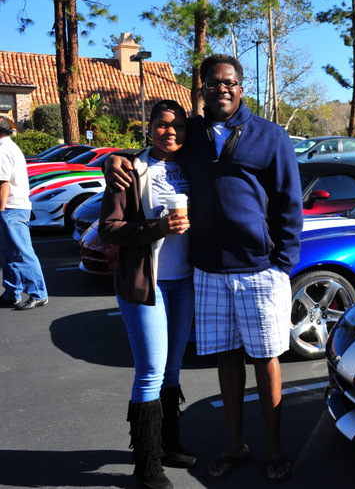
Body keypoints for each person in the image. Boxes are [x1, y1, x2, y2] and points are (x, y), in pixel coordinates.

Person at [106, 54, 303, 484]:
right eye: (213, 84)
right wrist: (115, 159)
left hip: (259, 270)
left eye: (229, 82)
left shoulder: (270, 136)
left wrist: (283, 265)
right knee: (226, 358)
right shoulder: (192, 132)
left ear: (241, 87)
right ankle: (235, 444)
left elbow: (289, 203)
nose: (222, 90)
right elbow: (159, 143)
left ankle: (274, 446)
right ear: (203, 90)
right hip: (208, 272)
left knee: (266, 357)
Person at [99, 100, 196, 489]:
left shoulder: (191, 166)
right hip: (146, 284)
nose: (170, 132)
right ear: (149, 127)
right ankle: (147, 463)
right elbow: (109, 228)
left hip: (184, 282)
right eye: (162, 125)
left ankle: (168, 444)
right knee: (151, 371)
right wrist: (158, 228)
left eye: (178, 126)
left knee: (173, 370)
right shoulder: (130, 169)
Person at [0, 117, 48, 310]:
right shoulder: (9, 147)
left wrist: (1, 210)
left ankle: (39, 294)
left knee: (21, 253)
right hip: (14, 208)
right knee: (10, 254)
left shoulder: (3, 150)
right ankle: (11, 293)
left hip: (11, 208)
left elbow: (3, 184)